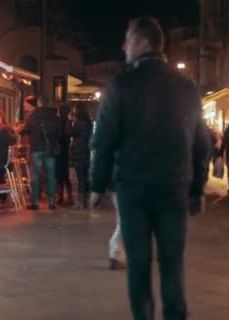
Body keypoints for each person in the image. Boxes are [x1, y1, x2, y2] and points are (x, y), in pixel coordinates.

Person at [89, 17, 211, 320]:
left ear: (144, 43)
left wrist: (97, 185)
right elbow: (201, 143)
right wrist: (197, 189)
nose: (123, 46)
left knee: (139, 264)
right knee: (172, 261)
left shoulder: (121, 86)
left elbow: (103, 140)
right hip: (175, 186)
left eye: (128, 39)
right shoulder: (186, 88)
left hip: (134, 188)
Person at [20, 95, 61, 210]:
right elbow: (59, 132)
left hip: (37, 148)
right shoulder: (54, 115)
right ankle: (52, 202)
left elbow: (25, 130)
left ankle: (35, 202)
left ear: (39, 102)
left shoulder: (33, 115)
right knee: (51, 176)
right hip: (50, 149)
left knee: (35, 176)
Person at [66, 105, 93, 208]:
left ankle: (80, 203)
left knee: (80, 177)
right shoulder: (88, 122)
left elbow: (69, 132)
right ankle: (87, 200)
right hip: (86, 151)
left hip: (78, 151)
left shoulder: (78, 123)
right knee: (85, 176)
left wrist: (69, 121)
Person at [56, 104, 74, 206]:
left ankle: (60, 197)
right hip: (65, 151)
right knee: (65, 175)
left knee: (59, 174)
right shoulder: (68, 122)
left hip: (58, 151)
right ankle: (69, 197)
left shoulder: (58, 122)